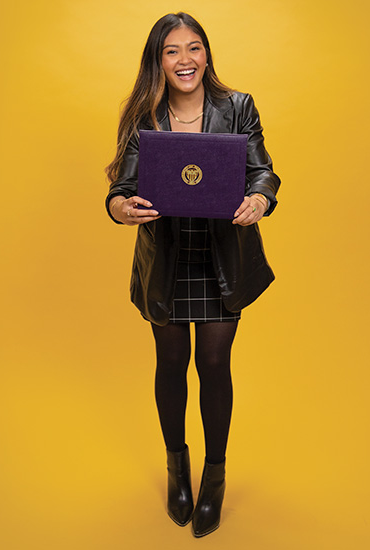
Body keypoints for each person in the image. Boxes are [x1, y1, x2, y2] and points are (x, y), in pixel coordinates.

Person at [105, 12, 280, 538]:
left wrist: (259, 198)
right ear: (157, 60)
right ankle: (176, 469)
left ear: (207, 55)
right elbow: (119, 191)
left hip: (221, 260)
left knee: (213, 362)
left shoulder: (238, 107)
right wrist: (121, 209)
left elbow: (263, 170)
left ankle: (215, 478)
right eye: (172, 51)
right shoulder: (145, 116)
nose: (186, 60)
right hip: (167, 260)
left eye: (194, 48)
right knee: (172, 361)